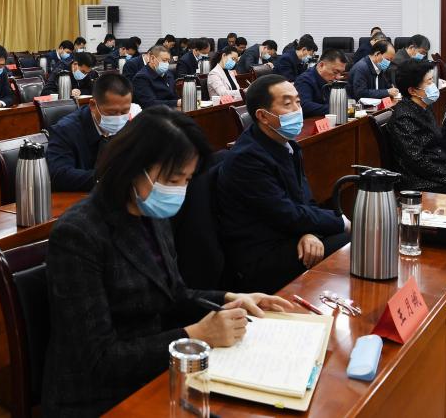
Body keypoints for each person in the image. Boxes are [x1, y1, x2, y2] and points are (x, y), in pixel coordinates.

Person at [43, 105, 292, 416]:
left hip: (156, 371)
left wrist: (231, 298)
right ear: (134, 168)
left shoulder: (151, 214)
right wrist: (196, 335)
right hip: (100, 398)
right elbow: (99, 360)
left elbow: (173, 293)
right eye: (173, 180)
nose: (180, 191)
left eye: (187, 180)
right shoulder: (79, 233)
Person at [217, 76, 350, 293]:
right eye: (287, 104)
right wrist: (340, 221)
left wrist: (310, 232)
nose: (298, 110)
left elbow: (304, 199)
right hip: (261, 255)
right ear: (263, 116)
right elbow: (283, 213)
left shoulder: (287, 144)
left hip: (288, 234)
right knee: (349, 240)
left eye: (298, 101)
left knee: (348, 243)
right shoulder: (247, 158)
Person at [46, 73, 134, 191]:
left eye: (124, 112)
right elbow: (58, 174)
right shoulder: (65, 130)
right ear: (93, 105)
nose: (119, 118)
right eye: (112, 113)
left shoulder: (128, 126)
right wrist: (108, 179)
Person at [387, 60, 446, 193]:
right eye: (429, 82)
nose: (434, 86)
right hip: (419, 182)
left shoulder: (424, 107)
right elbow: (416, 159)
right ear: (412, 91)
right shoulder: (403, 117)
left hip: (436, 172)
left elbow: (435, 148)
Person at [294, 49, 347, 117]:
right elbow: (305, 106)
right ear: (321, 65)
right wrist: (337, 109)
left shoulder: (330, 80)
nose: (338, 77)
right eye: (335, 72)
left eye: (341, 73)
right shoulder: (304, 80)